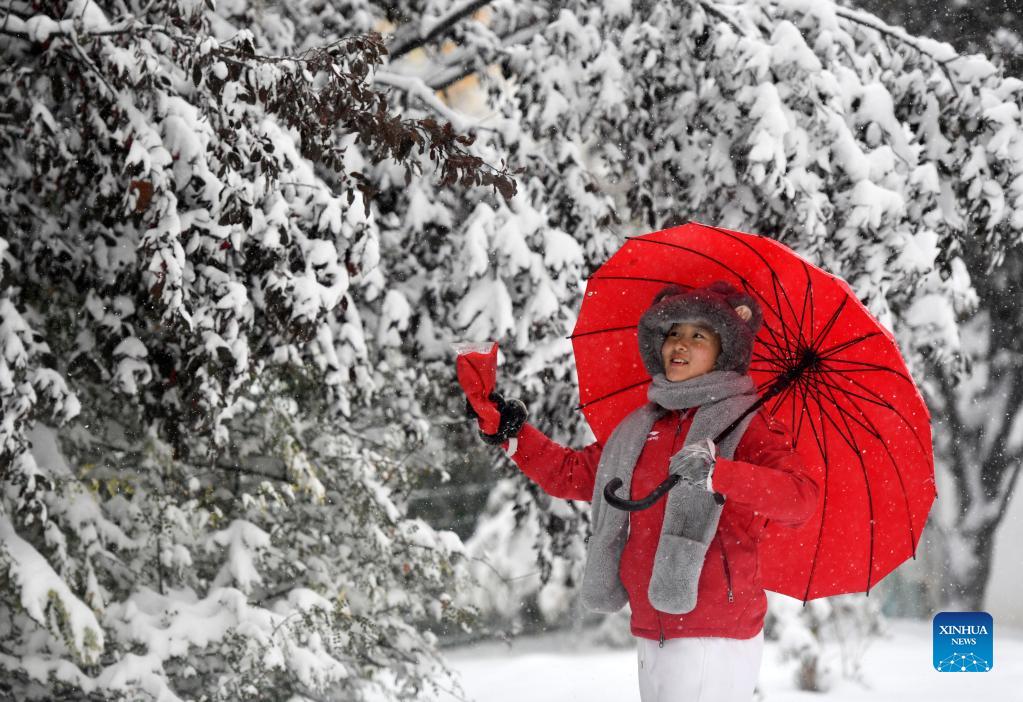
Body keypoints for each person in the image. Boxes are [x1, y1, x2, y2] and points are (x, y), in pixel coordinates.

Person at [462, 281, 820, 702]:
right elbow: (573, 474)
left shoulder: (748, 424)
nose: (679, 344)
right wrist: (514, 435)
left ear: (725, 349)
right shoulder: (642, 427)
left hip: (715, 631)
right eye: (672, 333)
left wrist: (717, 473)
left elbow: (800, 498)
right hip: (653, 622)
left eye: (697, 335)